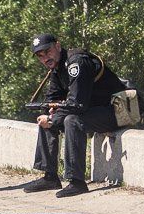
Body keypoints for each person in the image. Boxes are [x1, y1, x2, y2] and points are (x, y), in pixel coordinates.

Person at [25, 33, 126, 197]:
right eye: (40, 56)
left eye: (48, 51)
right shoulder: (57, 67)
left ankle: (77, 181)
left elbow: (77, 103)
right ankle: (50, 176)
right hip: (92, 111)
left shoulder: (76, 62)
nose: (45, 58)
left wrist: (52, 119)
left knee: (72, 120)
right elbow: (52, 98)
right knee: (47, 115)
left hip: (115, 111)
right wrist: (47, 114)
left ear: (58, 46)